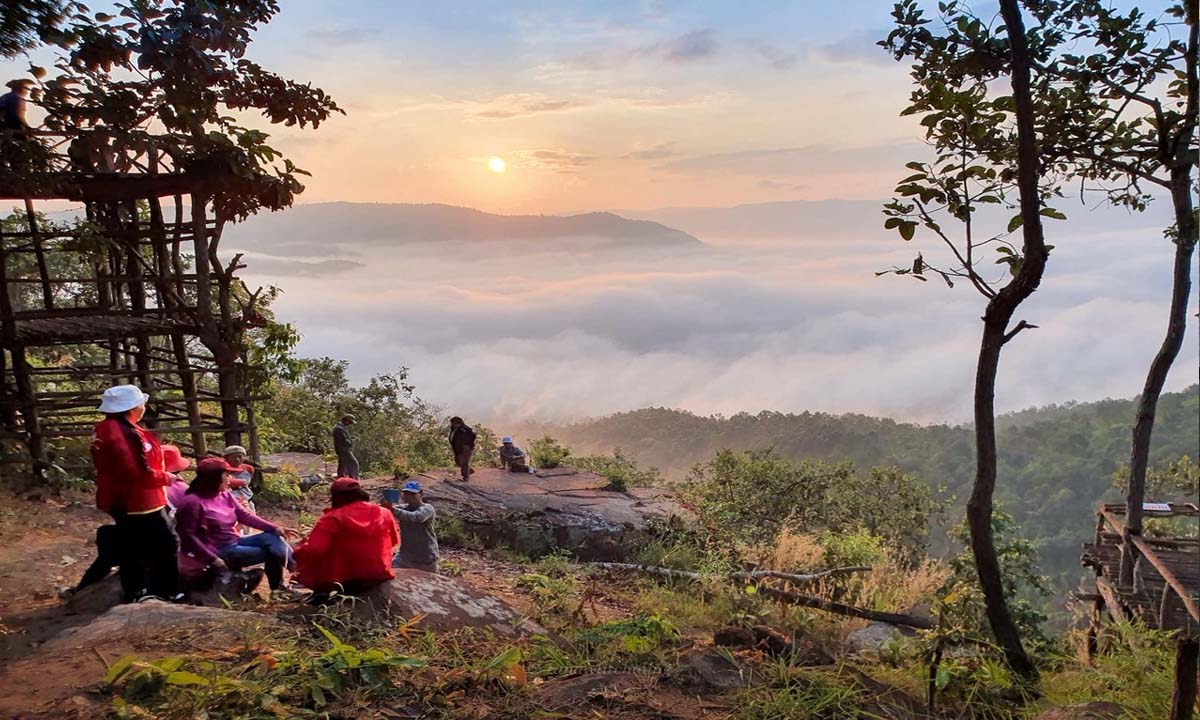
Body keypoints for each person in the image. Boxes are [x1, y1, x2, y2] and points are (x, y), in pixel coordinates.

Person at [90, 384, 182, 603]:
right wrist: (165, 478)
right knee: (165, 544)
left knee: (132, 544)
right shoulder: (126, 434)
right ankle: (165, 590)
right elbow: (137, 471)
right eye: (141, 403)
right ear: (132, 408)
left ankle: (136, 590)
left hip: (119, 498)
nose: (144, 406)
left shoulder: (104, 429)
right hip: (139, 500)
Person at [71, 443, 191, 596]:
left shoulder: (142, 489)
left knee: (109, 541)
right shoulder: (183, 490)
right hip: (169, 543)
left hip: (148, 543)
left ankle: (81, 589)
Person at [174, 457, 300, 595]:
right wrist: (212, 558)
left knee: (271, 536)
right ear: (214, 478)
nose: (230, 478)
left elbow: (245, 515)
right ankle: (281, 587)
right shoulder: (192, 503)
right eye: (226, 475)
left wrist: (275, 527)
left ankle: (296, 567)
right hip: (219, 550)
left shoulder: (224, 495)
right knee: (271, 554)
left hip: (234, 541)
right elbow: (188, 537)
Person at [293, 477, 399, 597]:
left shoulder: (331, 518)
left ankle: (322, 591)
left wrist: (297, 550)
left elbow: (316, 550)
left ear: (336, 497)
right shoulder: (385, 513)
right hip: (379, 573)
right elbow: (394, 541)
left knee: (311, 552)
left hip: (346, 578)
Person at [381, 480, 439, 573]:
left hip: (426, 557)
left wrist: (392, 509)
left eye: (412, 494)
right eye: (406, 494)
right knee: (388, 571)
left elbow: (416, 517)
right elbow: (384, 512)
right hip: (405, 556)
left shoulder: (427, 508)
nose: (409, 496)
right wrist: (385, 505)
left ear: (421, 494)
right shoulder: (403, 508)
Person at [221, 445, 257, 531]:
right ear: (226, 458)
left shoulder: (249, 469)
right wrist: (239, 483)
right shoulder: (222, 470)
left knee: (249, 526)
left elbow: (248, 483)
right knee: (235, 527)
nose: (237, 459)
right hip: (230, 502)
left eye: (240, 457)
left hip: (246, 499)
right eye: (233, 457)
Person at [448, 416, 476, 482]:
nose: (452, 424)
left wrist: (466, 444)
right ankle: (469, 470)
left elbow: (473, 436)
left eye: (453, 423)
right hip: (458, 449)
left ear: (458, 423)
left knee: (464, 462)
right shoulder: (454, 429)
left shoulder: (464, 428)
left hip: (465, 448)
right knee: (457, 461)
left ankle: (465, 477)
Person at [333, 414, 359, 479]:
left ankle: (341, 479)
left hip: (341, 449)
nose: (350, 424)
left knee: (343, 464)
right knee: (353, 463)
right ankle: (353, 479)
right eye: (349, 422)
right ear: (345, 420)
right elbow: (343, 440)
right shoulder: (339, 429)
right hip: (343, 449)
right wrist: (351, 441)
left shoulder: (340, 428)